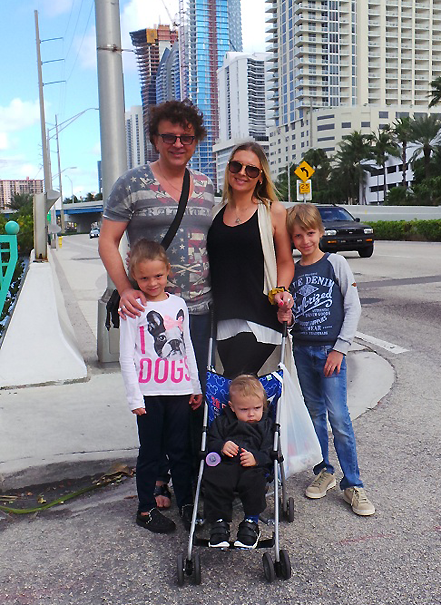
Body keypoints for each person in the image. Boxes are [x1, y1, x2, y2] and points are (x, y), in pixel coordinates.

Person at [99, 99, 214, 509]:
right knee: (156, 400)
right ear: (155, 139)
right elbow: (108, 241)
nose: (178, 144)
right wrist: (125, 288)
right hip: (149, 315)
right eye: (170, 136)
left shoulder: (206, 186)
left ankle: (191, 477)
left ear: (196, 141)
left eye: (187, 137)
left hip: (198, 310)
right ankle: (159, 479)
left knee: (191, 397)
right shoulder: (131, 184)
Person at [278, 203, 375, 516]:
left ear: (320, 232)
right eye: (298, 236)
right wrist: (287, 317)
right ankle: (324, 471)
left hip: (330, 352)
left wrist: (340, 348)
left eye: (310, 233)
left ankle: (354, 484)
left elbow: (352, 307)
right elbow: (293, 318)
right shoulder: (293, 271)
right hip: (303, 351)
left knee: (339, 418)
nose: (305, 241)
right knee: (315, 414)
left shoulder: (335, 263)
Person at [119, 239, 202, 533]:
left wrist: (195, 385)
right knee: (150, 453)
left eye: (158, 275)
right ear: (134, 276)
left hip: (179, 391)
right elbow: (126, 356)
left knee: (180, 450)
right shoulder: (133, 308)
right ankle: (145, 509)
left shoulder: (178, 305)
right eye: (144, 278)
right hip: (149, 394)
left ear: (168, 271)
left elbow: (188, 346)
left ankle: (187, 502)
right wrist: (135, 397)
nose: (152, 283)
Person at [206, 142, 294, 378]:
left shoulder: (273, 211)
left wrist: (281, 291)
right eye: (237, 166)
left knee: (236, 380)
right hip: (224, 316)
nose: (242, 173)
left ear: (261, 177)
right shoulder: (214, 214)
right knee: (239, 388)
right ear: (228, 169)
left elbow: (285, 261)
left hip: (260, 315)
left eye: (251, 169)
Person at [203, 375, 273, 549]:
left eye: (257, 408)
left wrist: (256, 458)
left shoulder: (265, 426)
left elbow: (269, 452)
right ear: (232, 407)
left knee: (255, 481)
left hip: (252, 468)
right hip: (225, 465)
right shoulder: (222, 422)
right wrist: (221, 446)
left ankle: (250, 523)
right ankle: (219, 523)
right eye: (244, 409)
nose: (251, 414)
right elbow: (211, 442)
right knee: (214, 478)